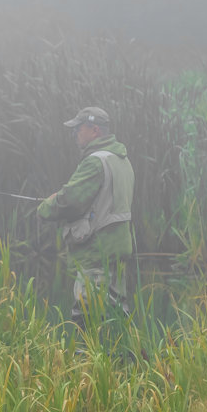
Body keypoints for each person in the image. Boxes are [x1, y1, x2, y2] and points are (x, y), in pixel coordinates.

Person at [36, 106, 134, 329]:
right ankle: (119, 360)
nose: (75, 135)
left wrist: (45, 206)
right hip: (117, 249)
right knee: (115, 314)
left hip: (96, 252)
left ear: (95, 130)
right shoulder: (121, 160)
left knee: (87, 317)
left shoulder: (95, 162)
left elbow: (69, 201)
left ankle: (88, 363)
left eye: (78, 129)